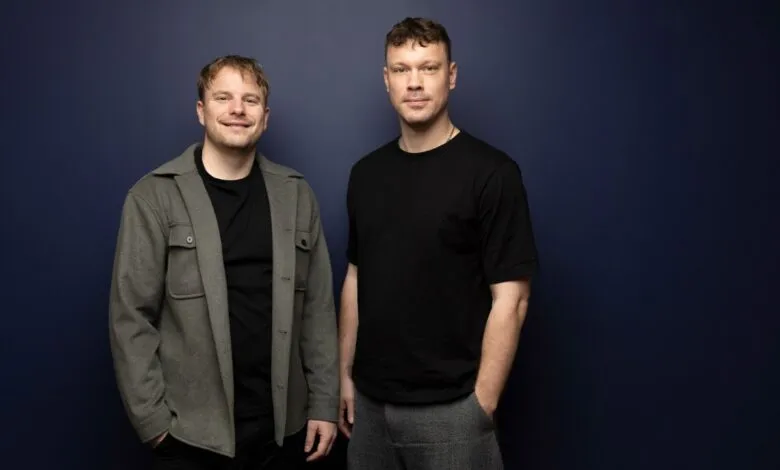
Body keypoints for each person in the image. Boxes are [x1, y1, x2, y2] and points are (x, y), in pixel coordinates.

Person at [109, 55, 339, 469]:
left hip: (284, 431)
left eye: (250, 100)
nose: (237, 110)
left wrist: (323, 404)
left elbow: (318, 312)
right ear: (201, 110)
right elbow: (131, 319)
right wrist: (154, 422)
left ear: (264, 117)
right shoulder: (153, 197)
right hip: (191, 436)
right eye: (223, 97)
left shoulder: (296, 194)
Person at [338, 18, 539, 470]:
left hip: (452, 412)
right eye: (402, 69)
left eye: (428, 68)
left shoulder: (492, 173)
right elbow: (355, 277)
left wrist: (480, 407)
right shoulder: (365, 174)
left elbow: (513, 299)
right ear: (386, 79)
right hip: (369, 411)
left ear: (451, 75)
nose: (414, 82)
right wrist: (344, 377)